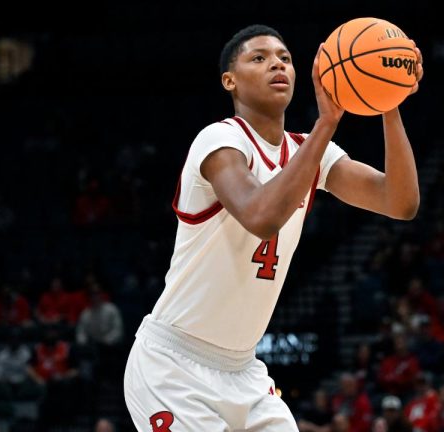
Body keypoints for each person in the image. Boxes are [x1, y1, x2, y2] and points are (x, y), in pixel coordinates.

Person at [123, 24, 423, 431]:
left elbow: (399, 202)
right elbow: (261, 217)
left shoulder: (310, 152)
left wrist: (389, 99)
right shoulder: (219, 141)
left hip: (244, 370)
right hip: (174, 367)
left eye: (284, 57)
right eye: (259, 58)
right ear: (230, 80)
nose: (276, 64)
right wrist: (327, 123)